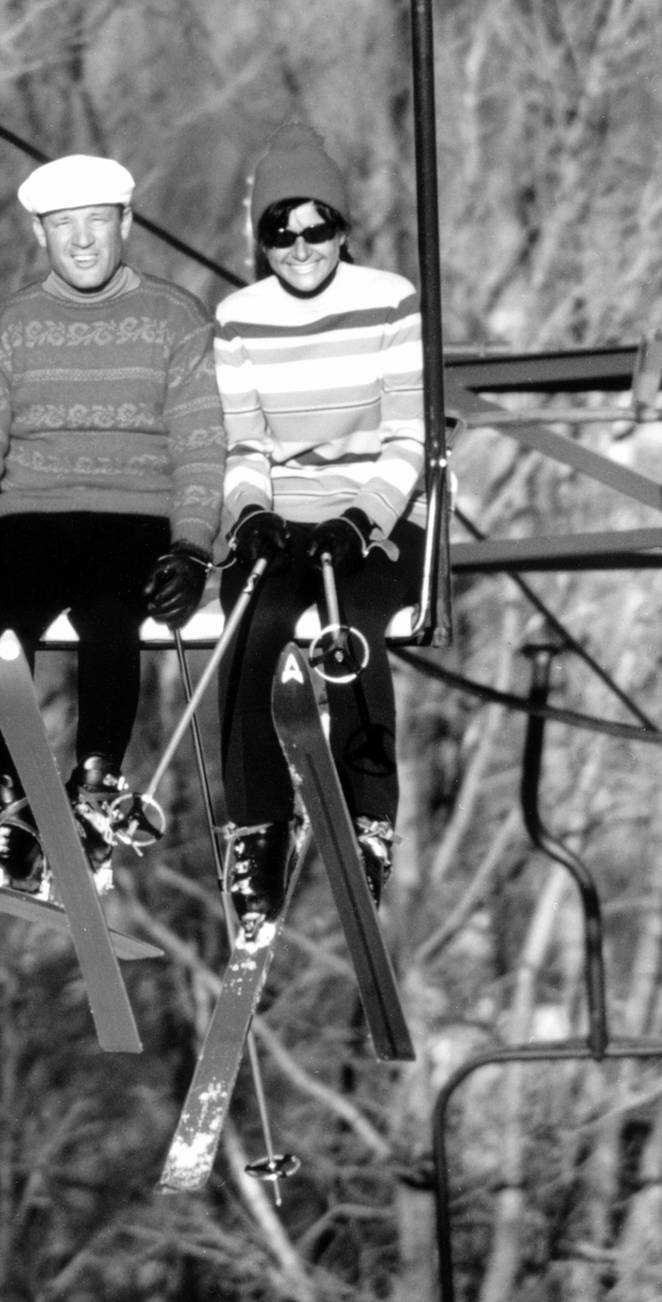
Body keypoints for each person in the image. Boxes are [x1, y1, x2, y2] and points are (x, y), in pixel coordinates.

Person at [0, 154, 226, 894]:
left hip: (136, 509)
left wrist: (190, 547)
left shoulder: (174, 320)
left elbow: (200, 444)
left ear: (125, 224)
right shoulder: (8, 331)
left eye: (96, 223)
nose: (82, 241)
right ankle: (11, 804)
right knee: (2, 626)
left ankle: (95, 788)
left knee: (110, 615)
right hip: (33, 511)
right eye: (64, 227)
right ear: (39, 234)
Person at [213, 125, 426, 932]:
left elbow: (408, 436)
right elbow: (244, 444)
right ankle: (258, 827)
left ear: (341, 227)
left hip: (373, 515)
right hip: (283, 518)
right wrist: (253, 511)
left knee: (352, 630)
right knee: (255, 628)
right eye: (280, 230)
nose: (300, 247)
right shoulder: (238, 319)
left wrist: (362, 518)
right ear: (261, 237)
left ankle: (366, 822)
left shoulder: (389, 300)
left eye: (317, 227)